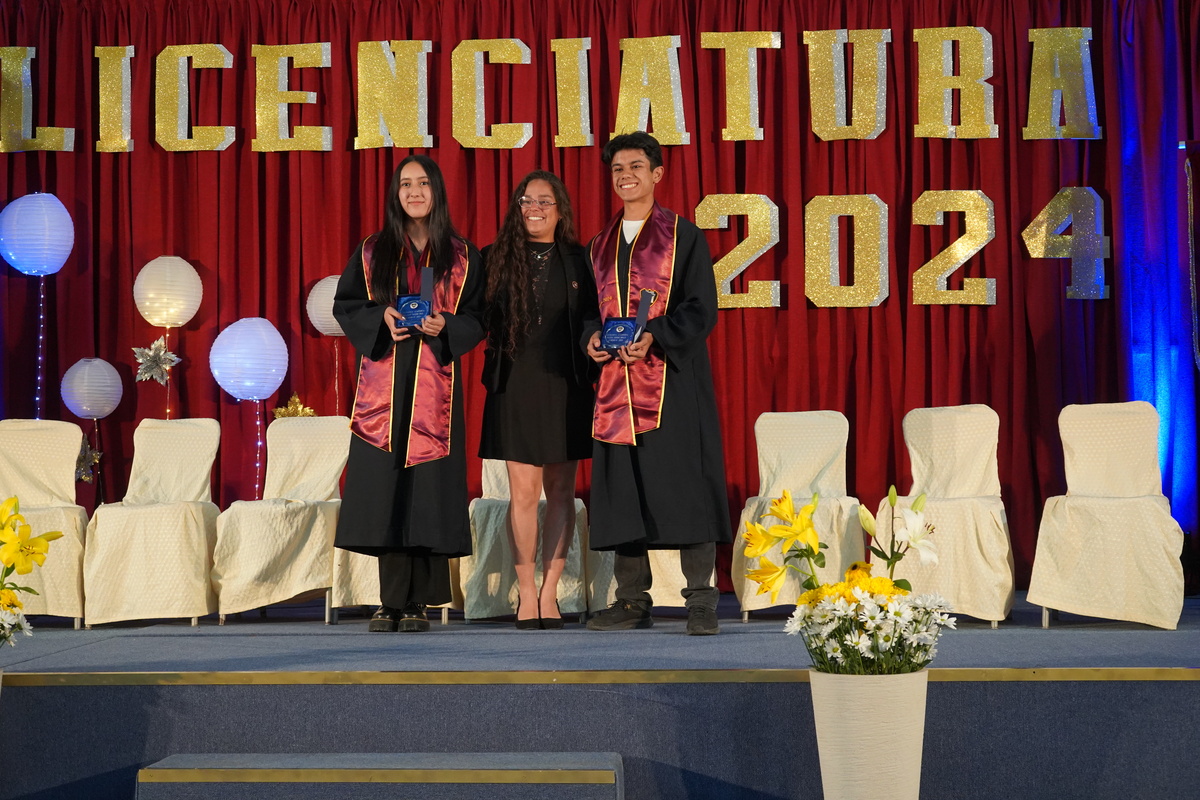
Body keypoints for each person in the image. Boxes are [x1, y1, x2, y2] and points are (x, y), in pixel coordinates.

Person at [583, 131, 731, 636]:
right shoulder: (598, 246)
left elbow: (701, 307)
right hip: (615, 388)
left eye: (636, 167)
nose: (626, 176)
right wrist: (590, 340)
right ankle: (631, 600)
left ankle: (701, 601)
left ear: (657, 174)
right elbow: (588, 314)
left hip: (672, 384)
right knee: (625, 491)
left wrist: (655, 337)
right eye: (618, 169)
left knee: (685, 486)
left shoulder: (684, 237)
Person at [333, 154, 484, 633]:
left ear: (437, 190)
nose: (414, 192)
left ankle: (420, 602)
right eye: (405, 184)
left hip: (436, 391)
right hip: (385, 387)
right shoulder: (373, 251)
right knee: (389, 492)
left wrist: (447, 325)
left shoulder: (462, 255)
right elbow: (346, 304)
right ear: (395, 194)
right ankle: (390, 601)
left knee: (427, 492)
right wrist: (380, 316)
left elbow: (480, 317)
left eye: (422, 183)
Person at [479, 170, 598, 630]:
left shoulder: (581, 260)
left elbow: (592, 318)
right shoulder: (493, 258)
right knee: (524, 493)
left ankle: (551, 592)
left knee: (562, 491)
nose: (534, 208)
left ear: (560, 209)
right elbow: (470, 315)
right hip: (515, 385)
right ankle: (526, 592)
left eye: (544, 201)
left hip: (567, 385)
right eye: (526, 200)